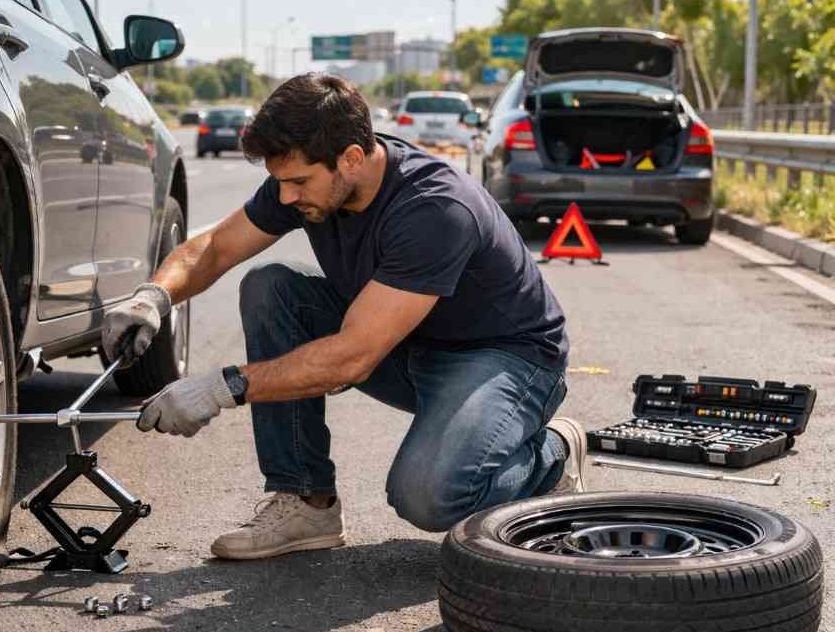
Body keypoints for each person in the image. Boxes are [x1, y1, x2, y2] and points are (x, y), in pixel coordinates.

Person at [102, 73, 586, 561]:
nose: (286, 197)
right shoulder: (309, 177)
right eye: (280, 182)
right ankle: (306, 502)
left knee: (428, 497)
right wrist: (153, 297)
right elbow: (216, 246)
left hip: (506, 361)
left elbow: (354, 356)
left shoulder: (434, 208)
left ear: (351, 158)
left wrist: (219, 388)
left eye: (297, 182)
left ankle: (551, 456)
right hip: (407, 345)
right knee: (271, 287)